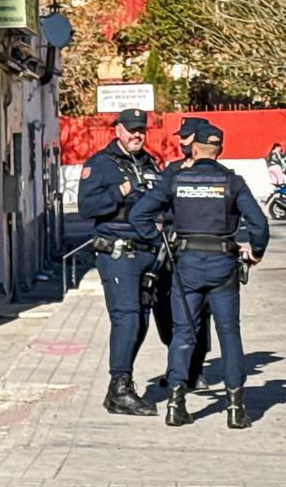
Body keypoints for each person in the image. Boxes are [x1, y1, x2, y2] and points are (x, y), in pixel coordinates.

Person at [131, 124, 270, 428]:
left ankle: (176, 404)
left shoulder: (177, 180)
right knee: (229, 333)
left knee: (183, 333)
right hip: (223, 265)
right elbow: (259, 225)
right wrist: (255, 252)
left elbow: (138, 215)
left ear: (194, 150)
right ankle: (235, 408)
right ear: (221, 150)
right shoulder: (232, 182)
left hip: (187, 266)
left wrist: (162, 242)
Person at [77, 108, 162, 416]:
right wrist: (121, 191)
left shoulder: (150, 163)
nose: (137, 134)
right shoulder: (100, 165)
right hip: (118, 252)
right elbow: (87, 207)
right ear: (118, 131)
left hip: (147, 252)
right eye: (131, 129)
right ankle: (120, 388)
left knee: (139, 319)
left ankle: (121, 384)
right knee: (126, 316)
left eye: (141, 129)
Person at [154, 118, 213, 391]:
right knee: (169, 312)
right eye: (181, 137)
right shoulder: (173, 171)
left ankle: (196, 369)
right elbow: (158, 205)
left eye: (187, 137)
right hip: (174, 251)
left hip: (204, 253)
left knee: (201, 314)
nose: (181, 142)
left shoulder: (217, 172)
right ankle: (175, 366)